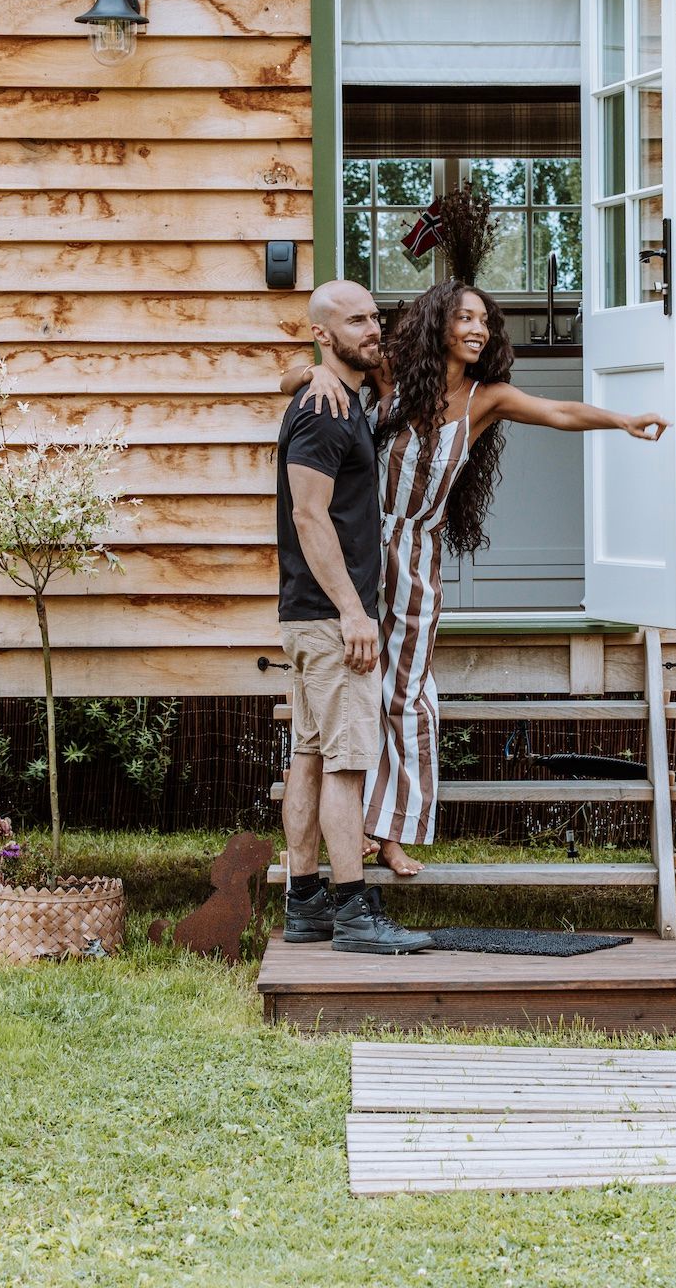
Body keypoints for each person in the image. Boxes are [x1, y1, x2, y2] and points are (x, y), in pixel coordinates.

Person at [283, 279, 667, 878]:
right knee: (359, 692)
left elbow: (560, 411)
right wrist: (315, 375)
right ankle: (352, 827)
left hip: (412, 559)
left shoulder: (486, 399)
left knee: (404, 696)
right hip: (357, 552)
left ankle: (387, 831)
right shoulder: (389, 374)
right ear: (439, 324)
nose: (477, 328)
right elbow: (294, 376)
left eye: (485, 320)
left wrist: (622, 420)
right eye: (465, 317)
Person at [273, 279, 431, 955]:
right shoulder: (322, 410)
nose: (373, 328)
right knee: (344, 763)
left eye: (375, 316)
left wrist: (310, 370)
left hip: (313, 617)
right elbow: (308, 513)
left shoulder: (338, 394)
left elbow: (298, 373)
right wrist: (352, 612)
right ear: (322, 332)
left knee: (309, 757)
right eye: (357, 319)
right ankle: (355, 915)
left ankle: (305, 904)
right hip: (331, 617)